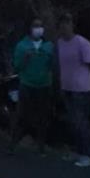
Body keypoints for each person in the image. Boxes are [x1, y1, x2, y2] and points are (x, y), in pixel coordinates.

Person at [56, 12, 90, 168]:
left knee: (82, 122)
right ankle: (78, 151)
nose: (64, 26)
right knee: (73, 122)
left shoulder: (82, 43)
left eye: (67, 23)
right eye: (62, 24)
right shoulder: (59, 43)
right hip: (67, 88)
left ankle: (88, 155)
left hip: (82, 89)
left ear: (72, 25)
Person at [9, 19, 54, 155]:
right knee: (21, 116)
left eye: (40, 26)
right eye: (35, 26)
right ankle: (13, 144)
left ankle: (41, 147)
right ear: (30, 28)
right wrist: (26, 59)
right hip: (27, 85)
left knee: (42, 117)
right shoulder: (22, 46)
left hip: (44, 85)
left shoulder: (49, 46)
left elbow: (53, 66)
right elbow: (16, 67)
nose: (38, 29)